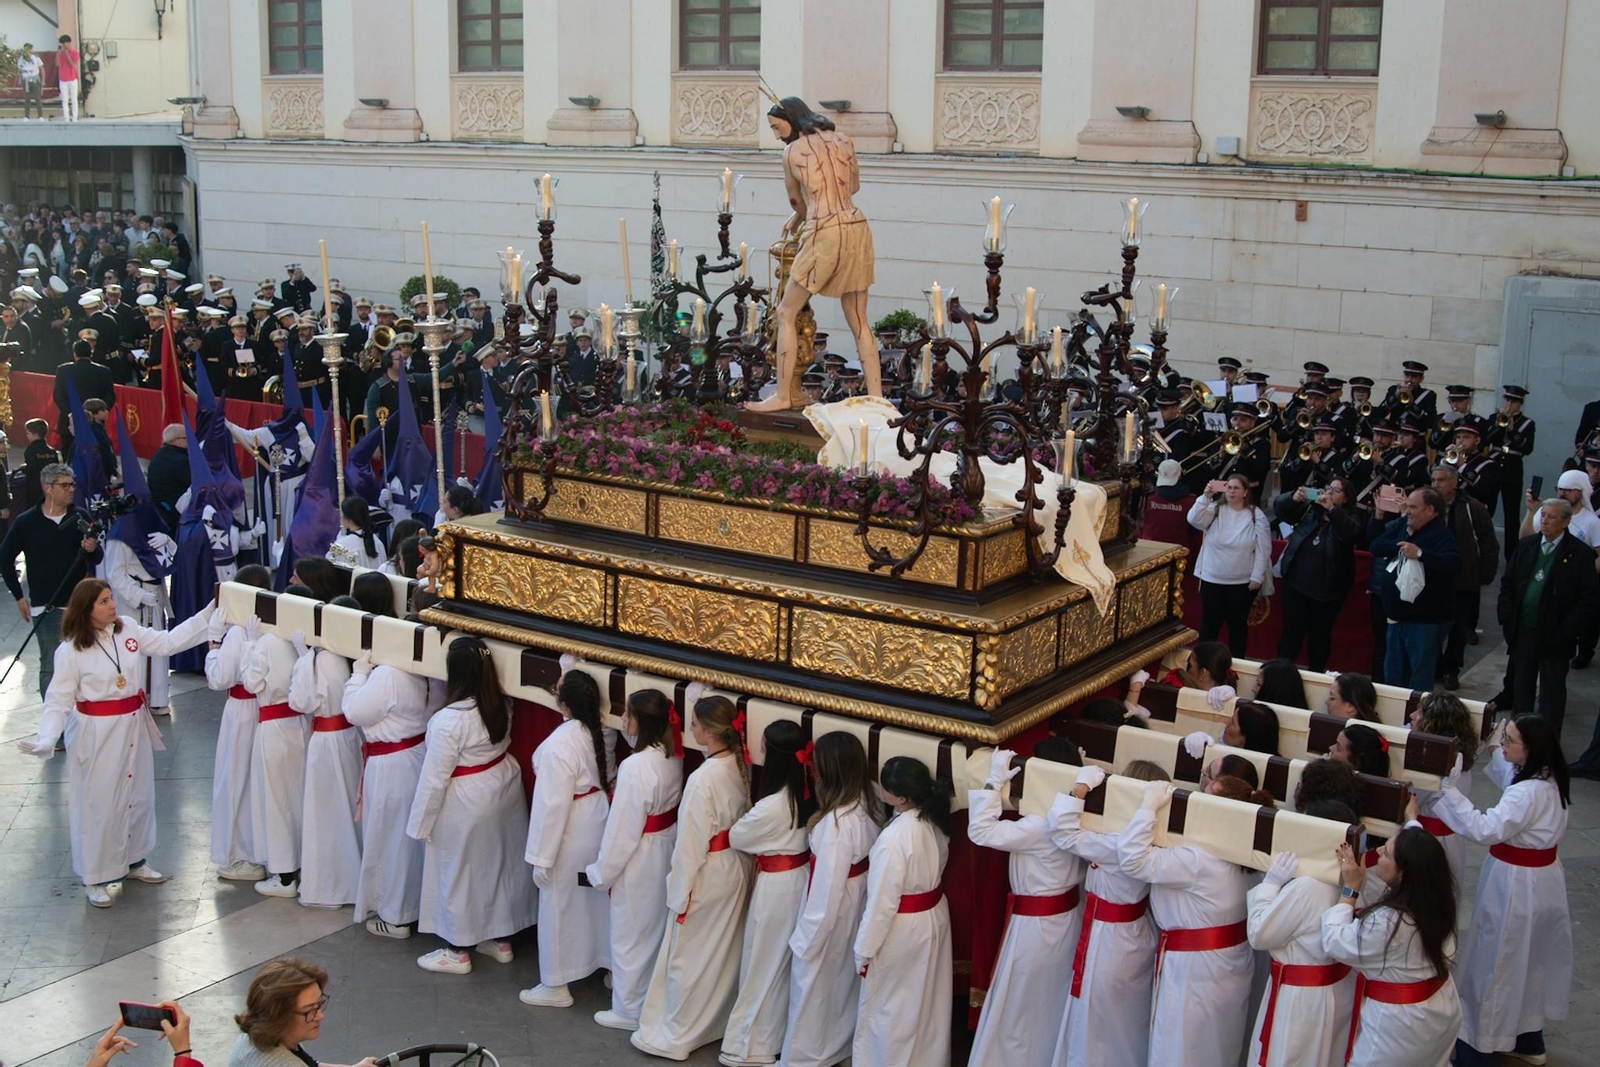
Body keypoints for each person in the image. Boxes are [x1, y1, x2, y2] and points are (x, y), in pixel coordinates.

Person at [15, 579, 214, 906]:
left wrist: (208, 615)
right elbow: (58, 700)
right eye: (104, 601)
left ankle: (135, 860)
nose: (112, 605)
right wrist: (47, 737)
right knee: (99, 804)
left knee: (137, 795)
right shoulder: (71, 650)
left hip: (133, 726)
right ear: (86, 609)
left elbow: (167, 642)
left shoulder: (128, 630)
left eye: (110, 598)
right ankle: (96, 875)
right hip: (97, 733)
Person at [1425, 714, 1571, 1065]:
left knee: (1497, 962)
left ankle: (1479, 1047)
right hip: (1543, 881)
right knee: (1529, 961)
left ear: (1531, 749)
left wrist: (1447, 791)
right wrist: (1495, 744)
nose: (1503, 745)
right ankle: (1527, 1038)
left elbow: (1486, 828)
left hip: (1516, 885)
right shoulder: (1548, 777)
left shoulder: (1528, 791)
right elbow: (1516, 786)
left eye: (1510, 741)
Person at [406, 636, 537, 975]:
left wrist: (419, 825)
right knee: (499, 867)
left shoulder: (448, 720)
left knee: (459, 871)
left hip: (464, 798)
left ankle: (457, 948)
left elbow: (434, 779)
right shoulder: (500, 704)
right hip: (502, 788)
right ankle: (500, 939)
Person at [633, 695, 753, 1061]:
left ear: (710, 732)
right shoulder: (737, 764)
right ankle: (711, 1022)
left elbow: (690, 844)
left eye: (696, 724)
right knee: (720, 951)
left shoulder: (703, 779)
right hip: (733, 866)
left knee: (687, 953)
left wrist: (679, 891)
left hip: (708, 869)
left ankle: (680, 1030)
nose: (691, 729)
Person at [747, 97, 879, 412]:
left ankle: (782, 395)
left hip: (825, 232)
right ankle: (878, 399)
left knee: (785, 312)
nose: (777, 135)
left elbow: (797, 201)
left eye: (777, 127)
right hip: (857, 225)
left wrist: (801, 215)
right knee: (860, 319)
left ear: (791, 120)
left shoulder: (791, 152)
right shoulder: (844, 140)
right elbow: (854, 185)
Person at [1117, 779, 1256, 1067]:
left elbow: (1131, 859)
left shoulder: (1197, 859)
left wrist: (1147, 807)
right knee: (1215, 1047)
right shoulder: (1248, 854)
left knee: (1181, 1048)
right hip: (1227, 964)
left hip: (1195, 972)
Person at [967, 740, 1085, 1067]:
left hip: (1036, 928)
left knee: (1021, 1006)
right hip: (1064, 921)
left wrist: (992, 784)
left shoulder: (1040, 824)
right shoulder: (1076, 813)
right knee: (1047, 1002)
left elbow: (982, 832)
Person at [1046, 761, 1161, 1067]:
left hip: (1110, 941)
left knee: (1097, 1021)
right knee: (1122, 1020)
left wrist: (1080, 789)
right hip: (1133, 933)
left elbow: (1062, 832)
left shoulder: (1117, 844)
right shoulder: (1150, 839)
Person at [719, 721, 818, 1066]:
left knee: (762, 962)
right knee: (780, 963)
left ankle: (751, 1044)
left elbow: (737, 837)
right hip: (798, 879)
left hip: (777, 887)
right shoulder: (806, 792)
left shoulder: (772, 805)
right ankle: (770, 1037)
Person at [585, 689, 684, 1031]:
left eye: (628, 715)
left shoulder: (635, 766)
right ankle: (645, 996)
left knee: (629, 929)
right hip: (664, 845)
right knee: (652, 925)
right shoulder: (673, 756)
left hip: (641, 851)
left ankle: (628, 1008)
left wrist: (602, 872)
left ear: (641, 722)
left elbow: (622, 830)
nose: (623, 721)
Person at [780, 731, 880, 1067]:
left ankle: (801, 1059)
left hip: (833, 910)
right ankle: (834, 1047)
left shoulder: (837, 823)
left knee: (812, 985)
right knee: (839, 985)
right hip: (854, 902)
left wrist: (806, 940)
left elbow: (826, 890)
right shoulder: (868, 802)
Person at [1321, 830, 1460, 1066]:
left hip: (1402, 1023)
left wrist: (1350, 890)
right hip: (1440, 1008)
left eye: (1386, 853)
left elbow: (1335, 941)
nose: (1378, 853)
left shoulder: (1390, 922)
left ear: (1403, 873)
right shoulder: (1437, 901)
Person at [851, 756, 952, 1067]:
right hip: (932, 917)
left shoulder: (894, 838)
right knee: (925, 1001)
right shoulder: (932, 819)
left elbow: (882, 902)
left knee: (889, 1006)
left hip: (903, 927)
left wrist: (864, 950)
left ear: (901, 797)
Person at [518, 670, 612, 1000]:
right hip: (597, 821)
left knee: (558, 902)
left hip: (571, 830)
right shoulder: (599, 733)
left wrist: (542, 858)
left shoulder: (559, 744)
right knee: (594, 897)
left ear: (564, 702)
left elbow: (551, 807)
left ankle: (555, 983)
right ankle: (606, 962)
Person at [344, 612, 436, 939]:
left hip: (390, 764)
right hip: (412, 757)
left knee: (389, 838)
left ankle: (395, 915)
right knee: (406, 841)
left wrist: (356, 677)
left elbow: (355, 712)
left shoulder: (387, 674)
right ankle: (409, 907)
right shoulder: (421, 668)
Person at [1245, 827, 1356, 1067]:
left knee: (1289, 1056)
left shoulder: (1307, 886)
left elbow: (1259, 935)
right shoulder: (1353, 879)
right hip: (1335, 990)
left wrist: (1270, 885)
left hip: (1300, 997)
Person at [0, 463, 105, 698]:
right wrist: (18, 597)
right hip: (46, 606)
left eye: (72, 484)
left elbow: (97, 557)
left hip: (81, 605)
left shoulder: (81, 516)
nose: (71, 490)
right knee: (52, 664)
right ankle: (54, 725)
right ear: (48, 488)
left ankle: (81, 719)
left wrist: (92, 547)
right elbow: (4, 559)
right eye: (65, 485)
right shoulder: (27, 522)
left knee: (86, 663)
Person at [1495, 498, 1597, 735]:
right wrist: (1507, 619)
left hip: (1556, 635)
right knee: (1522, 690)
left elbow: (1588, 599)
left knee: (1551, 694)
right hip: (1524, 631)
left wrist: (1567, 631)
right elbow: (1508, 584)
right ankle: (1517, 739)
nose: (1545, 521)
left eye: (1552, 517)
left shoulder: (1579, 553)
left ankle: (1547, 744)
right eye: (1543, 516)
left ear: (1565, 522)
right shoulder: (1528, 545)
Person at [289, 614, 361, 909]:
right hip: (349, 736)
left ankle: (329, 886)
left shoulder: (316, 659)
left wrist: (302, 661)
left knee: (325, 812)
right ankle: (354, 878)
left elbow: (300, 702)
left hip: (325, 740)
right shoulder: (350, 654)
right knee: (348, 808)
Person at [205, 564, 271, 882]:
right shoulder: (274, 624)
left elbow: (219, 678)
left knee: (236, 780)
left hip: (242, 710)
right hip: (267, 711)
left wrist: (213, 644)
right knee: (257, 781)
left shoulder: (236, 632)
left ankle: (243, 854)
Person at [241, 606, 311, 899]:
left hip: (273, 725)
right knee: (296, 795)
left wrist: (249, 644)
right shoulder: (303, 639)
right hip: (299, 724)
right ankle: (300, 863)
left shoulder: (268, 642)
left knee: (275, 798)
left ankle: (283, 874)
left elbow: (250, 682)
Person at [1367, 487, 1462, 690]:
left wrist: (1420, 553)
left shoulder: (1442, 534)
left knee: (1418, 679)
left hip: (1423, 621)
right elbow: (1376, 545)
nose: (1407, 510)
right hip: (1396, 617)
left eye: (1413, 507)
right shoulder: (1403, 525)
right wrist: (1401, 546)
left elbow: (1454, 563)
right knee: (1393, 677)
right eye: (1407, 506)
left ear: (1430, 510)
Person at [1273, 478, 1359, 671]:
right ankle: (1279, 676)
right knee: (1290, 635)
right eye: (1328, 488)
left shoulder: (1350, 517)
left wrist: (1332, 510)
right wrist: (1292, 499)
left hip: (1327, 592)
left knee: (1319, 639)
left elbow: (1351, 534)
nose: (1329, 493)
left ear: (1345, 499)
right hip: (1295, 586)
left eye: (1336, 491)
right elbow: (1281, 512)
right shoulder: (1310, 511)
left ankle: (1316, 677)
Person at [229, 958, 379, 1067]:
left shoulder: (253, 1034)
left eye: (318, 1004)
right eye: (309, 1011)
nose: (320, 1015)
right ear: (278, 1017)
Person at [1431, 462, 1498, 690]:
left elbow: (1488, 543)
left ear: (1454, 482)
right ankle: (1435, 665)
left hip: (1463, 578)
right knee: (1433, 626)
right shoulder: (1428, 505)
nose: (1435, 485)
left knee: (1459, 629)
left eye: (1440, 480)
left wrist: (1484, 576)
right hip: (1434, 577)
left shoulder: (1472, 507)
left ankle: (1451, 669)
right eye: (1433, 480)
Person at [1187, 472, 1271, 655]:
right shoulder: (1215, 508)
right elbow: (1193, 519)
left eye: (1236, 488)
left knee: (1237, 627)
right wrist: (1205, 497)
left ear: (1245, 492)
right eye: (1229, 487)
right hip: (1211, 579)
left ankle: (1236, 666)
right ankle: (1203, 662)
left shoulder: (1257, 515)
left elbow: (1263, 549)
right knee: (1209, 625)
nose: (1231, 491)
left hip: (1241, 583)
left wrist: (1257, 576)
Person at [1407, 692, 1479, 892]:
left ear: (1433, 724)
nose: (1412, 716)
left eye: (1419, 713)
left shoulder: (1435, 765)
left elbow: (1408, 800)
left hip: (1431, 842)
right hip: (1450, 840)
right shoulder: (1459, 756)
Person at [1141, 459, 1200, 556]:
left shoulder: (1147, 498)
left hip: (1150, 553)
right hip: (1181, 554)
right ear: (1180, 477)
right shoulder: (1191, 501)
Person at [20, 417, 58, 510]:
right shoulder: (52, 451)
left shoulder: (31, 450)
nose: (27, 436)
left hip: (35, 487)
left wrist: (23, 468)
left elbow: (32, 469)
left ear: (35, 434)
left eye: (28, 433)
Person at [56, 34, 81, 122]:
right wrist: (58, 53)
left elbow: (72, 64)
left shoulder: (75, 53)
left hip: (72, 78)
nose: (63, 45)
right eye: (62, 43)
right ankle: (66, 117)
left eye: (64, 43)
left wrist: (66, 53)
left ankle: (74, 117)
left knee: (74, 98)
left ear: (68, 43)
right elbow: (57, 64)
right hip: (63, 79)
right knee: (64, 99)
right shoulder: (60, 53)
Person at [17, 42, 44, 120]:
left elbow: (42, 69)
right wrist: (19, 79)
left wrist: (43, 80)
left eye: (29, 49)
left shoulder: (36, 58)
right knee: (27, 99)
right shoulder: (21, 58)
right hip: (26, 80)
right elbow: (20, 70)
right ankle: (26, 116)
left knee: (37, 98)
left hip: (35, 79)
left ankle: (40, 116)